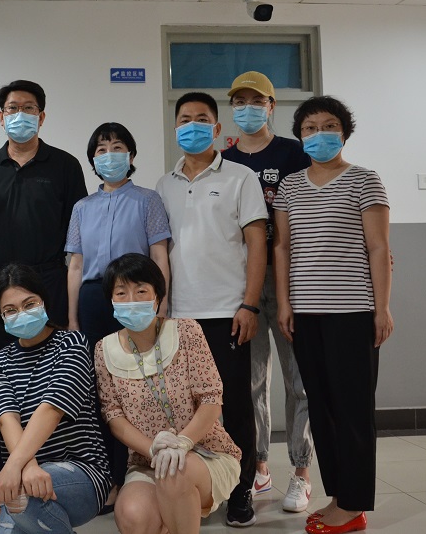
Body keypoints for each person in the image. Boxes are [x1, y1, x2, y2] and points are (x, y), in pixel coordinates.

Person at [274, 96, 393, 534]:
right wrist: (284, 303)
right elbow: (282, 247)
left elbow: (379, 247)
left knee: (353, 409)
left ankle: (354, 504)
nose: (318, 134)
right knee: (321, 409)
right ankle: (339, 497)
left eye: (328, 126)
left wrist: (382, 308)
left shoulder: (365, 180)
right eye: (309, 127)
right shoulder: (290, 186)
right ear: (300, 136)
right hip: (305, 313)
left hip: (353, 312)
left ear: (344, 133)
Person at [0, 80, 87, 503]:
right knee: (0, 378)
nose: (21, 115)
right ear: (1, 116)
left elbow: (78, 233)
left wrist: (72, 299)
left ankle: (57, 464)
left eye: (29, 107)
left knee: (55, 374)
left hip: (48, 281)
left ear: (42, 115)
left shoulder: (65, 165)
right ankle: (5, 471)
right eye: (13, 108)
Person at [155, 92, 268, 527]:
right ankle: (199, 485)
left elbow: (257, 243)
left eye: (202, 119)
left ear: (217, 129)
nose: (193, 126)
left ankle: (241, 491)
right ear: (176, 128)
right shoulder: (164, 184)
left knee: (235, 403)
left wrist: (250, 304)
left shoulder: (241, 177)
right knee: (189, 407)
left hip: (228, 313)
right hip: (179, 315)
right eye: (185, 119)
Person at [220, 72, 315, 512]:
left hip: (290, 279)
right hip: (243, 285)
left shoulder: (294, 154)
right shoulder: (224, 160)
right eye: (240, 101)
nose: (247, 108)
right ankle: (259, 467)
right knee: (250, 381)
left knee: (300, 379)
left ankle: (302, 471)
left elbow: (314, 209)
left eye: (256, 101)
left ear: (271, 106)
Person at [95, 253, 242, 534]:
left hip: (205, 451)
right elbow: (114, 416)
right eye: (121, 293)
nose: (131, 300)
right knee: (133, 516)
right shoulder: (104, 349)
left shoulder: (186, 331)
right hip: (146, 461)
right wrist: (152, 449)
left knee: (174, 474)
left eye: (141, 291)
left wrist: (183, 442)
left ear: (157, 296)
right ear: (111, 300)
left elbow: (211, 399)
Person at [65, 121, 171, 511]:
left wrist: (161, 306)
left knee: (139, 385)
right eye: (101, 149)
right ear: (93, 160)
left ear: (131, 155)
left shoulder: (148, 200)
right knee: (101, 389)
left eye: (117, 147)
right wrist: (73, 318)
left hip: (136, 300)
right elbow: (76, 265)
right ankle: (108, 478)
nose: (109, 155)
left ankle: (142, 473)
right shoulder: (82, 207)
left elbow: (159, 255)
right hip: (94, 300)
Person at [0, 264, 112, 534]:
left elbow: (51, 410)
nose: (21, 313)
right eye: (10, 310)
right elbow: (8, 420)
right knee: (15, 510)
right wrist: (27, 466)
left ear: (44, 301)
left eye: (29, 304)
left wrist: (14, 467)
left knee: (19, 497)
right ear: (1, 317)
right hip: (23, 471)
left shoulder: (72, 344)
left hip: (82, 470)